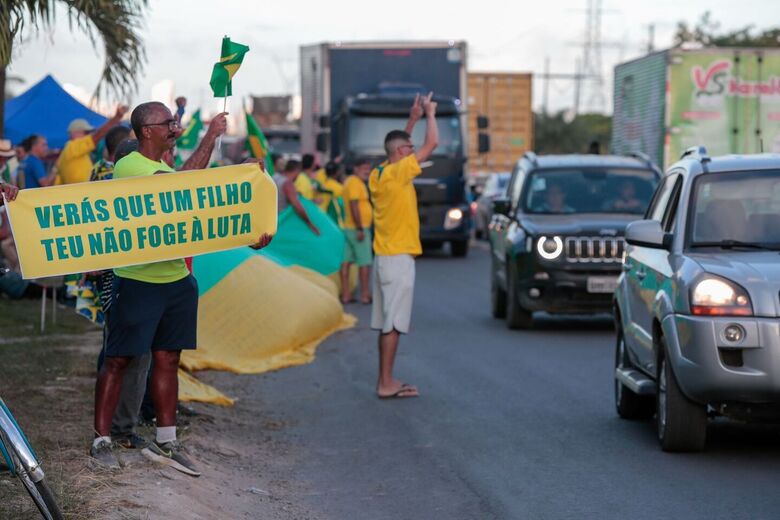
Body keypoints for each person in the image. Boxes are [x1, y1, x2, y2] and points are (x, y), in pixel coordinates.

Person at [91, 102, 272, 475]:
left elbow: (201, 210)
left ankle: (167, 440)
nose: (173, 127)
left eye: (174, 121)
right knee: (118, 359)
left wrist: (248, 233)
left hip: (175, 280)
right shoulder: (129, 166)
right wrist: (210, 135)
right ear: (146, 132)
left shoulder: (165, 168)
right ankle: (102, 439)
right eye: (167, 122)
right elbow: (182, 189)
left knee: (168, 359)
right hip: (138, 279)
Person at [368, 92, 438, 399]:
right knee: (394, 324)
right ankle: (386, 383)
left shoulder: (380, 173)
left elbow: (398, 144)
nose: (413, 150)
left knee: (387, 323)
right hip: (397, 259)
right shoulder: (398, 172)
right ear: (400, 153)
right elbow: (431, 144)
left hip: (384, 257)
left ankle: (385, 379)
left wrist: (413, 118)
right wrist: (431, 115)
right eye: (408, 148)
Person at [56, 105, 129, 185]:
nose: (89, 135)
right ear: (74, 133)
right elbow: (97, 136)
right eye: (86, 132)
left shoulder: (71, 153)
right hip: (83, 194)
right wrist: (116, 118)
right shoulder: (72, 147)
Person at [340, 158, 373, 304]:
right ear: (356, 169)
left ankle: (346, 294)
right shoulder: (354, 182)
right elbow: (354, 205)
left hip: (349, 228)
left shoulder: (354, 182)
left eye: (368, 168)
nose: (367, 171)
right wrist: (360, 228)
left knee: (346, 261)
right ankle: (364, 295)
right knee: (364, 262)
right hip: (358, 229)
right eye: (364, 168)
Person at [274, 159, 320, 236]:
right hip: (281, 223)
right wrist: (309, 223)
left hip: (271, 222)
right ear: (297, 170)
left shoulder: (274, 177)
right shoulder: (287, 183)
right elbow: (297, 206)